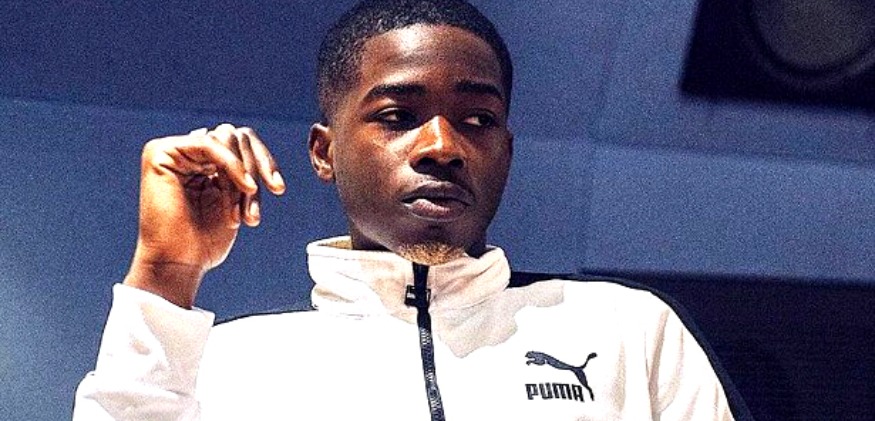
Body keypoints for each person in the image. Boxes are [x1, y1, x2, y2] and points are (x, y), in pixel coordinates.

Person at [73, 0, 748, 419]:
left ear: (506, 152)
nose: (442, 146)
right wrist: (164, 274)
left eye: (477, 120)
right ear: (324, 152)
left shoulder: (627, 331)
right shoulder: (230, 364)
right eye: (398, 116)